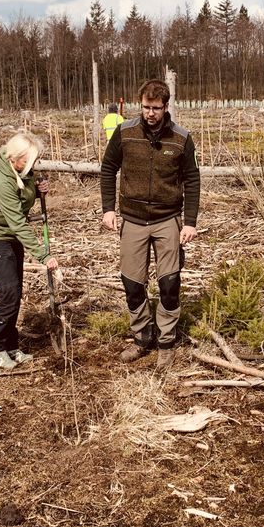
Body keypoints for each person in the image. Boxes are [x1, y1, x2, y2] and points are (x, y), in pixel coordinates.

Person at [101, 79, 200, 371]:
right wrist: (108, 208)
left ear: (165, 107)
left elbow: (193, 180)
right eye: (146, 107)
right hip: (132, 218)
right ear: (140, 105)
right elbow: (108, 169)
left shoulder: (181, 138)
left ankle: (166, 342)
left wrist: (190, 222)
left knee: (169, 283)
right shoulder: (124, 132)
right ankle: (143, 336)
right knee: (132, 283)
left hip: (167, 219)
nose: (150, 113)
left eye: (156, 108)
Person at [0, 132, 59, 370]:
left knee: (15, 291)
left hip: (10, 238)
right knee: (8, 290)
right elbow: (18, 223)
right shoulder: (2, 181)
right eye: (30, 160)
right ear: (16, 157)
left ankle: (11, 343)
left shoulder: (22, 171)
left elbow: (24, 198)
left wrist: (40, 190)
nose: (33, 165)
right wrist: (43, 255)